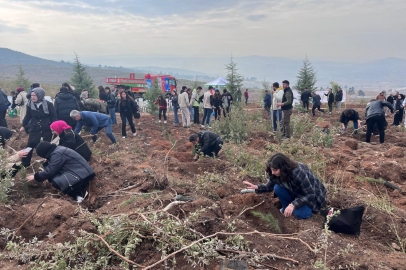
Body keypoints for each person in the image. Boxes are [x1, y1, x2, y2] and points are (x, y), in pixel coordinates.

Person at [243, 153, 327, 220]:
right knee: (277, 188)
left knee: (300, 214)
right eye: (271, 170)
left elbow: (310, 194)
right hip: (297, 193)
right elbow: (270, 186)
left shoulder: (297, 172)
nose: (272, 173)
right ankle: (286, 208)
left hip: (312, 196)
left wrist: (293, 205)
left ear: (283, 168)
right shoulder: (275, 173)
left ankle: (299, 209)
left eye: (275, 170)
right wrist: (257, 187)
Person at [26, 142, 95, 203]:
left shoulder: (57, 154)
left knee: (56, 181)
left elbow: (50, 172)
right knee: (53, 177)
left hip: (84, 174)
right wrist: (46, 164)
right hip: (81, 172)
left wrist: (36, 176)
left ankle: (81, 194)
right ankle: (78, 194)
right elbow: (53, 169)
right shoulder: (57, 150)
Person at [20, 88, 57, 167]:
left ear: (40, 95)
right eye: (32, 95)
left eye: (35, 95)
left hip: (47, 128)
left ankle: (50, 163)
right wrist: (24, 125)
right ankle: (24, 164)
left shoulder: (49, 104)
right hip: (35, 128)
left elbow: (54, 116)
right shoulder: (30, 105)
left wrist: (54, 127)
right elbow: (28, 116)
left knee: (48, 145)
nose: (33, 97)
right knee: (30, 145)